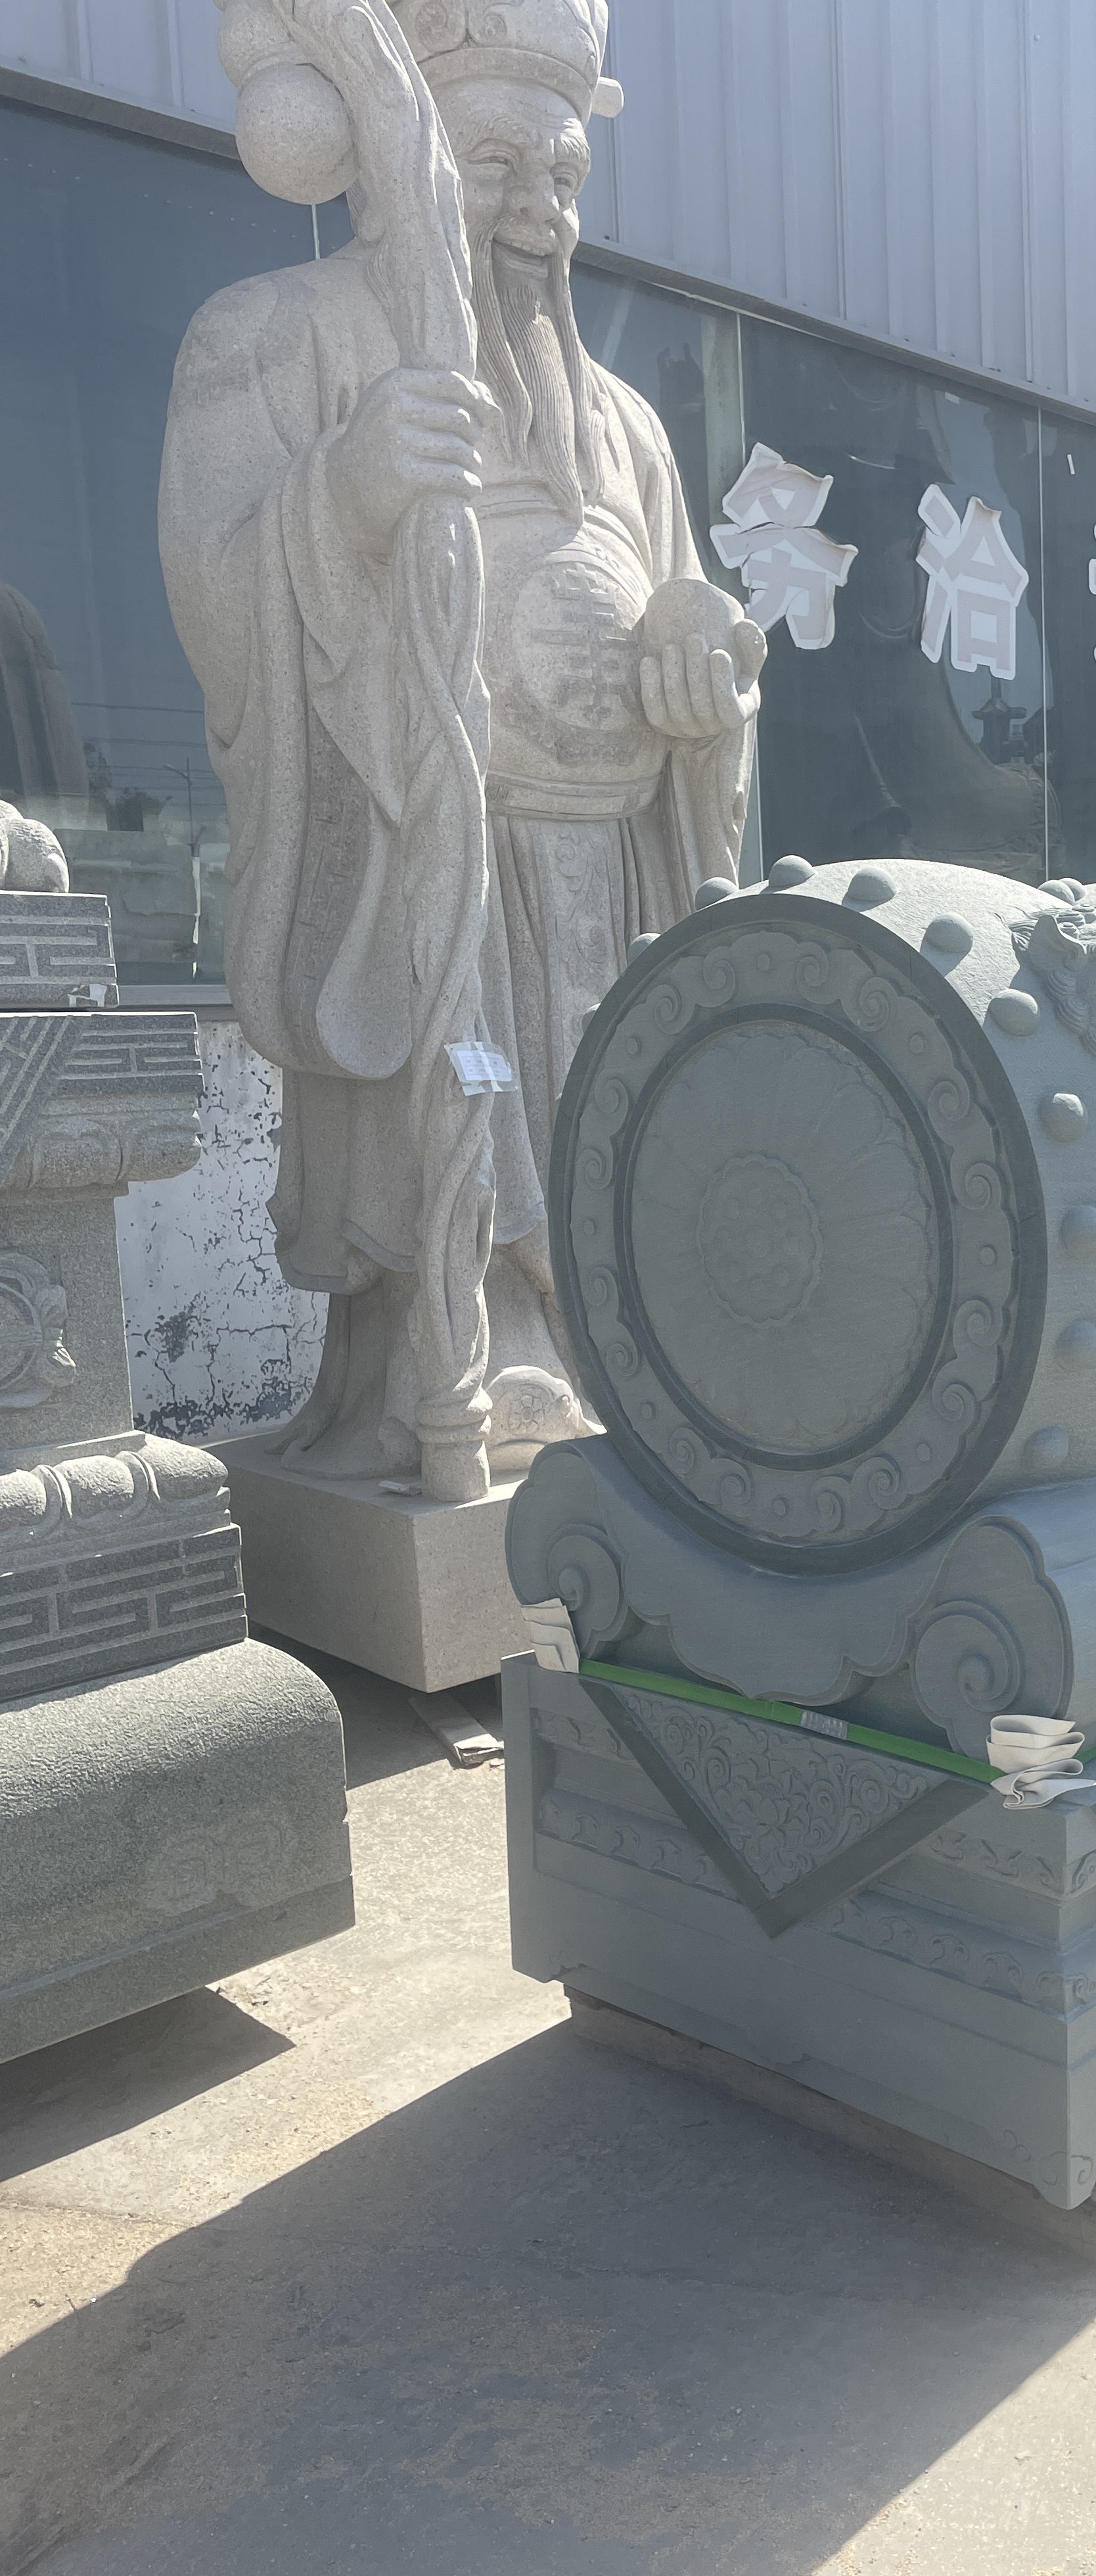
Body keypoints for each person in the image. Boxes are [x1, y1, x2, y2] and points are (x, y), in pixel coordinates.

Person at [160, 0, 760, 1478]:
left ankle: (606, 1341)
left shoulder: (623, 421)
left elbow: (686, 603)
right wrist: (343, 494)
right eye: (494, 164)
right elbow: (214, 587)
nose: (538, 211)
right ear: (397, 157)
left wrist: (699, 659)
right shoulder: (271, 334)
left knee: (614, 1133)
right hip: (426, 847)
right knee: (453, 1125)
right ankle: (446, 1359)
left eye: (564, 174)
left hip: (609, 868)